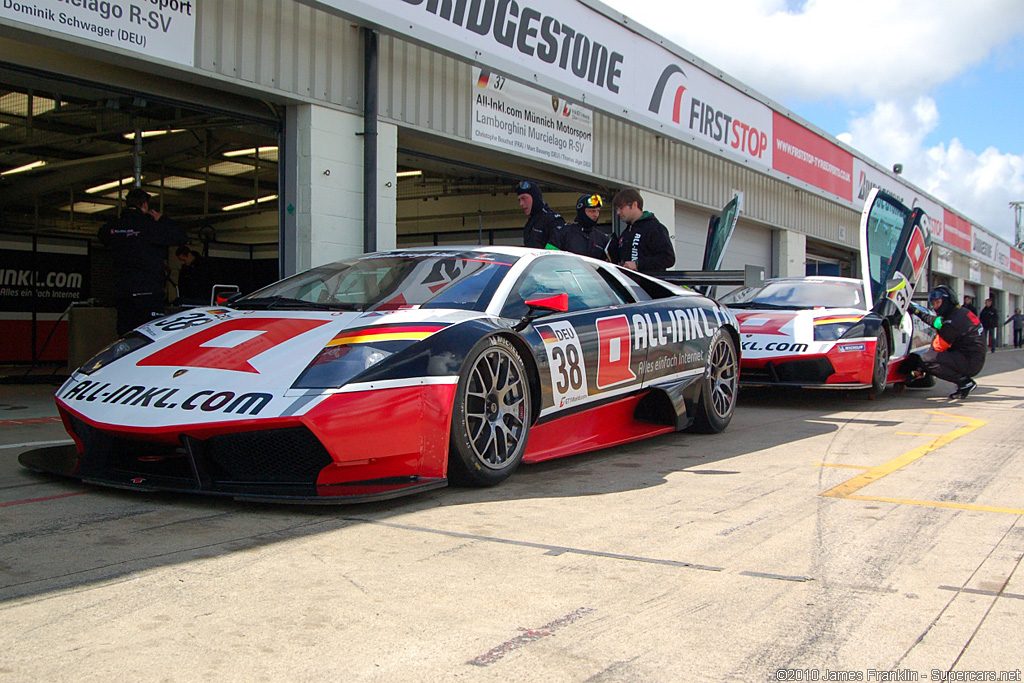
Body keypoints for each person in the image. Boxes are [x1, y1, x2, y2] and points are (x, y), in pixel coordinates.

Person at [99, 188, 186, 335]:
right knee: (151, 337)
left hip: (124, 292)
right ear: (144, 204)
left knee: (126, 336)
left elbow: (102, 235)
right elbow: (181, 237)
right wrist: (162, 219)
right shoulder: (151, 227)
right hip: (148, 292)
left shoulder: (114, 227)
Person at [904, 284, 986, 399]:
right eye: (933, 304)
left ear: (947, 301)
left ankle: (965, 382)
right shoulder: (958, 313)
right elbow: (935, 322)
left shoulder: (952, 323)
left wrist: (919, 367)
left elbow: (937, 349)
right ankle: (964, 383)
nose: (936, 307)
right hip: (972, 357)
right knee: (929, 356)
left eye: (938, 303)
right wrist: (916, 312)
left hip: (969, 361)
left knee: (927, 359)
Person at [609, 188, 675, 276]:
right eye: (617, 209)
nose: (618, 212)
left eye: (621, 208)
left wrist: (637, 264)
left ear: (634, 205)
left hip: (648, 286)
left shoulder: (654, 228)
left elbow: (668, 258)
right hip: (628, 285)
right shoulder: (626, 233)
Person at [550, 193, 611, 260]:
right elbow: (549, 258)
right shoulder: (562, 233)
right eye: (592, 211)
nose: (596, 215)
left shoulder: (602, 238)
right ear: (582, 212)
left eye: (598, 211)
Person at [515, 180, 564, 249]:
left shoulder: (553, 220)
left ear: (535, 197)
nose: (521, 204)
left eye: (524, 198)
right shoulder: (530, 224)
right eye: (519, 200)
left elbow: (555, 252)